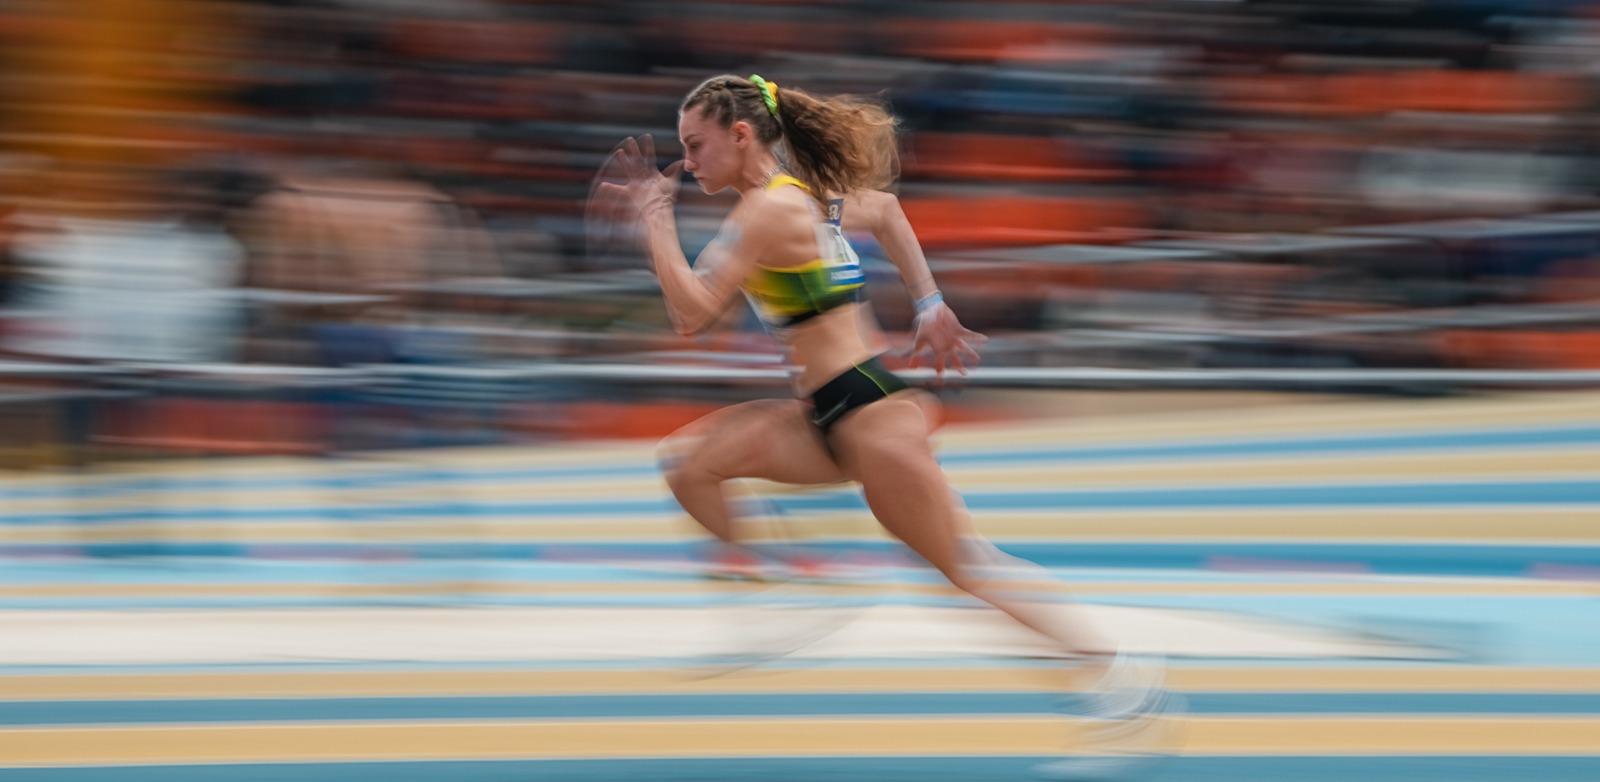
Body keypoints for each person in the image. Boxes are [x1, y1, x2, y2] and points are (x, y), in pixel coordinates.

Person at [603, 75, 1172, 768]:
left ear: (741, 135)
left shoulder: (765, 212)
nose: (688, 162)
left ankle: (1119, 675)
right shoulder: (806, 197)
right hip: (826, 415)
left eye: (696, 145)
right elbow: (886, 210)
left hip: (868, 411)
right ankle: (796, 590)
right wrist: (929, 304)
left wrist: (654, 220)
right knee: (690, 464)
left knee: (966, 568)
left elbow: (691, 314)